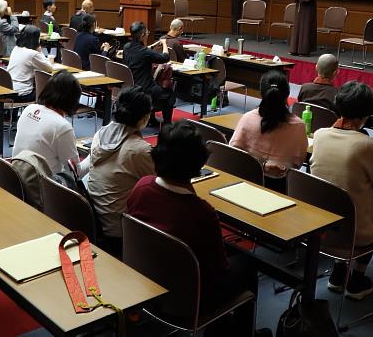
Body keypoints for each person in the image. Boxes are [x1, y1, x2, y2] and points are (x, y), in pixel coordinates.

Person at [127, 121, 260, 335]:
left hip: (147, 282)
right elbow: (220, 269)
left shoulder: (141, 187)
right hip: (189, 300)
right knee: (248, 263)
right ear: (198, 165)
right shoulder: (202, 212)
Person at [309, 81, 373, 300]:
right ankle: (356, 281)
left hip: (319, 226)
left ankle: (339, 273)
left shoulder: (320, 135)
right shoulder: (366, 145)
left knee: (341, 195)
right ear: (366, 114)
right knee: (370, 209)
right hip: (356, 234)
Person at [81, 87, 155, 256]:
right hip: (120, 231)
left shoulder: (101, 133)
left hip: (96, 219)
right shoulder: (139, 150)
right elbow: (160, 183)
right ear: (145, 117)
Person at [229, 70, 308, 192]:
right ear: (287, 95)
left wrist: (261, 164)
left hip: (243, 185)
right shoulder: (299, 126)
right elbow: (298, 164)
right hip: (281, 190)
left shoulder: (247, 118)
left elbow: (233, 154)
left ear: (261, 94)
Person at [12, 70, 81, 175]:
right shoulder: (62, 126)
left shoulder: (29, 109)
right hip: (43, 186)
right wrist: (93, 157)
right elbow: (76, 173)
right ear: (72, 101)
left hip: (18, 176)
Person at [123, 21, 174, 125]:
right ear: (142, 35)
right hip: (144, 88)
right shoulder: (145, 52)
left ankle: (151, 119)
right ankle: (167, 124)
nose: (148, 34)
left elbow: (143, 51)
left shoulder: (126, 47)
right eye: (147, 32)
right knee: (169, 95)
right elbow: (165, 57)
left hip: (130, 86)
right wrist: (164, 43)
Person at [6, 25, 53, 102]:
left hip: (10, 88)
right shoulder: (33, 54)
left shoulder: (16, 48)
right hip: (23, 93)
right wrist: (40, 51)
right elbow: (49, 68)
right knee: (51, 92)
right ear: (36, 39)